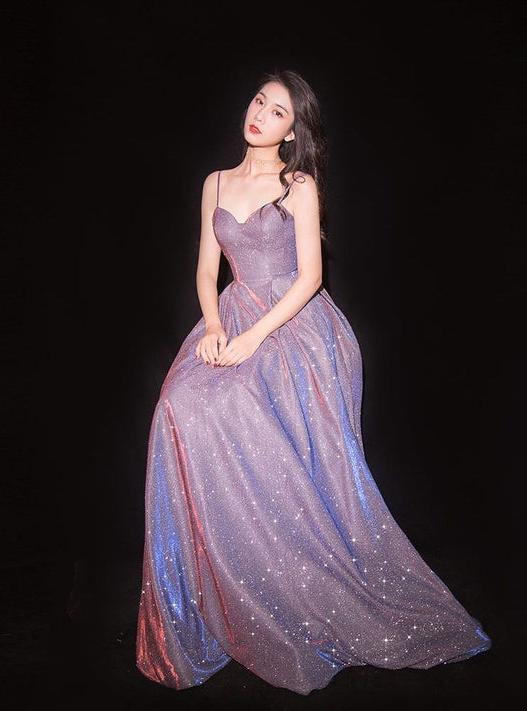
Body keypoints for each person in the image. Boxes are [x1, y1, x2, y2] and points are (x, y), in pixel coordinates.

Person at [136, 69, 491, 696]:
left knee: (241, 405)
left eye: (278, 111)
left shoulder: (298, 185)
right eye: (259, 101)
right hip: (234, 312)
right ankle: (227, 574)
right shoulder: (215, 182)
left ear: (293, 131)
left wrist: (252, 338)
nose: (260, 114)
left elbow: (310, 278)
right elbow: (206, 270)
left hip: (293, 323)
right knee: (177, 406)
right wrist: (215, 325)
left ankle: (292, 570)